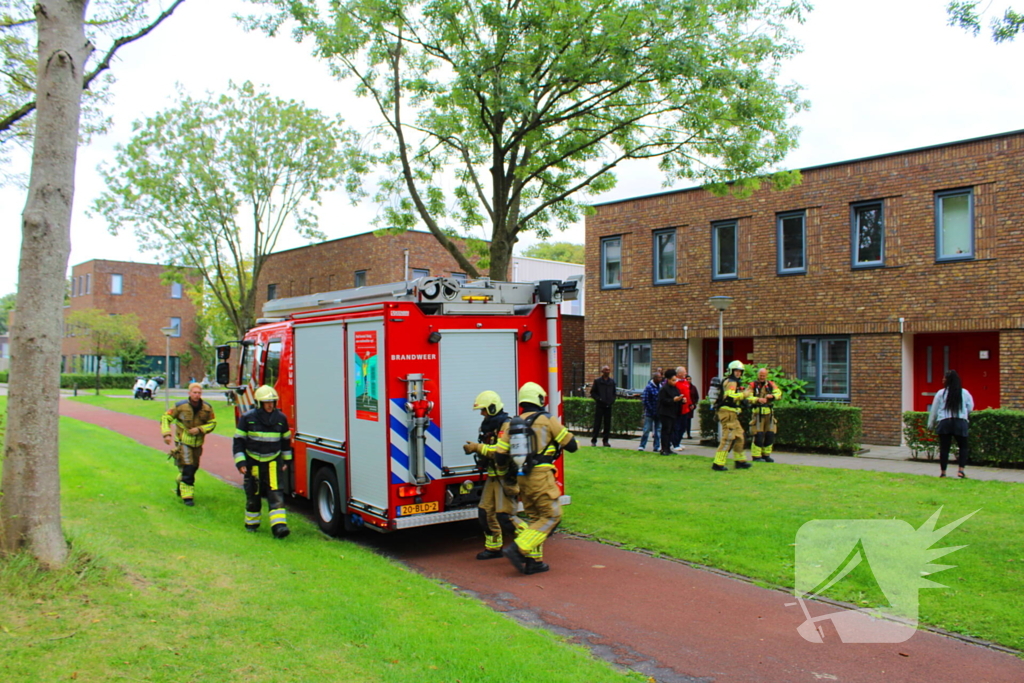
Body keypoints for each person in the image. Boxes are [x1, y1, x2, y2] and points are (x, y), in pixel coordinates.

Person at [497, 382, 579, 575]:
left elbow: (500, 455)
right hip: (541, 476)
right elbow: (572, 445)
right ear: (539, 399)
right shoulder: (547, 420)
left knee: (535, 518)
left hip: (522, 477)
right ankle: (518, 549)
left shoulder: (512, 424)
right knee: (552, 516)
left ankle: (535, 562)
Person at [462, 391, 520, 559]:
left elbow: (501, 451)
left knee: (506, 517)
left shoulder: (506, 426)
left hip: (506, 477)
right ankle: (494, 548)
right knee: (485, 512)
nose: (482, 413)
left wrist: (477, 448)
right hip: (494, 475)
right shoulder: (489, 425)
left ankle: (528, 544)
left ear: (493, 408)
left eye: (484, 410)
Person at [233, 385, 293, 538]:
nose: (270, 405)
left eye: (272, 402)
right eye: (267, 402)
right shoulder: (247, 418)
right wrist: (241, 463)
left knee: (276, 494)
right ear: (259, 403)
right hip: (253, 462)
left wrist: (287, 460)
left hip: (273, 461)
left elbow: (286, 441)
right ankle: (252, 524)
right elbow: (238, 442)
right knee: (253, 495)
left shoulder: (281, 419)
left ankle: (279, 527)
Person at [160, 382, 216, 506]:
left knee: (194, 466)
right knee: (188, 466)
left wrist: (200, 429)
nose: (197, 395)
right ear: (189, 393)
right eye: (194, 392)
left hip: (198, 443)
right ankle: (187, 496)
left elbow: (212, 423)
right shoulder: (180, 406)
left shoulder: (207, 408)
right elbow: (166, 418)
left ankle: (180, 481)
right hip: (183, 441)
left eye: (199, 393)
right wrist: (166, 434)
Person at [927, 369, 974, 478]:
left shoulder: (941, 393)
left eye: (944, 378)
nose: (942, 380)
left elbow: (934, 410)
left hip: (944, 422)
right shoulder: (964, 393)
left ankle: (943, 472)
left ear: (948, 380)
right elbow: (970, 407)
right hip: (960, 422)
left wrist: (930, 424)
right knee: (963, 447)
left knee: (944, 448)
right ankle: (961, 470)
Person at [713, 361, 752, 471]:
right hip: (728, 413)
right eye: (736, 371)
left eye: (740, 371)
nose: (738, 373)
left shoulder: (734, 382)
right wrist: (744, 394)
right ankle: (718, 463)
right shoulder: (731, 382)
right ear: (731, 371)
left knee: (740, 436)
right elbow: (730, 397)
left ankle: (740, 461)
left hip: (732, 413)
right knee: (728, 438)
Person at [748, 368, 782, 462]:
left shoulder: (771, 384)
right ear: (758, 375)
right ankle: (756, 456)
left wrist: (772, 396)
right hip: (757, 413)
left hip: (769, 413)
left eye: (764, 375)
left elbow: (778, 393)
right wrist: (757, 399)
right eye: (760, 375)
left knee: (770, 434)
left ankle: (766, 455)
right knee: (758, 434)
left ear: (766, 375)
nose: (762, 377)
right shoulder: (752, 385)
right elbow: (747, 396)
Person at [656, 369, 685, 455]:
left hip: (673, 412)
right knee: (666, 431)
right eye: (673, 380)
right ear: (668, 379)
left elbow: (677, 398)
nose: (675, 382)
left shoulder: (675, 388)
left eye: (675, 380)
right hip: (665, 413)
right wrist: (673, 400)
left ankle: (668, 448)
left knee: (671, 431)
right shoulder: (664, 389)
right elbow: (662, 401)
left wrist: (681, 400)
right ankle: (664, 448)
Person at [589, 365, 616, 447]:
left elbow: (614, 393)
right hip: (600, 405)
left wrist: (612, 400)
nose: (607, 372)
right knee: (597, 423)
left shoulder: (612, 382)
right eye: (605, 370)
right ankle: (594, 440)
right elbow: (593, 393)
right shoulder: (597, 381)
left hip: (608, 405)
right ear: (602, 371)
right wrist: (599, 399)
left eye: (608, 370)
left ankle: (606, 441)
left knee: (607, 424)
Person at [638, 371, 663, 451]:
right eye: (659, 377)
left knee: (658, 431)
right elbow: (645, 400)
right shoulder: (649, 387)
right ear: (655, 378)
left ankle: (656, 446)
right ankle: (642, 445)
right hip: (650, 413)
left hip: (658, 412)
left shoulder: (661, 387)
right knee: (646, 430)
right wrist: (652, 410)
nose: (660, 379)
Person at [671, 366, 691, 451]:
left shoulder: (685, 381)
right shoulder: (676, 383)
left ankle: (678, 442)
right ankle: (675, 443)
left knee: (683, 426)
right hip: (679, 408)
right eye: (684, 372)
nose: (685, 373)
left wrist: (690, 404)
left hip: (686, 408)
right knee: (677, 426)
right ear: (679, 374)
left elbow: (688, 393)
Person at [684, 374, 700, 439]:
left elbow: (696, 397)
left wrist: (694, 404)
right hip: (684, 406)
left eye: (689, 379)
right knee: (683, 420)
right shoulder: (684, 387)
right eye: (687, 379)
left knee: (689, 420)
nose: (688, 380)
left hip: (691, 407)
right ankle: (682, 433)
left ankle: (688, 434)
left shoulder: (693, 388)